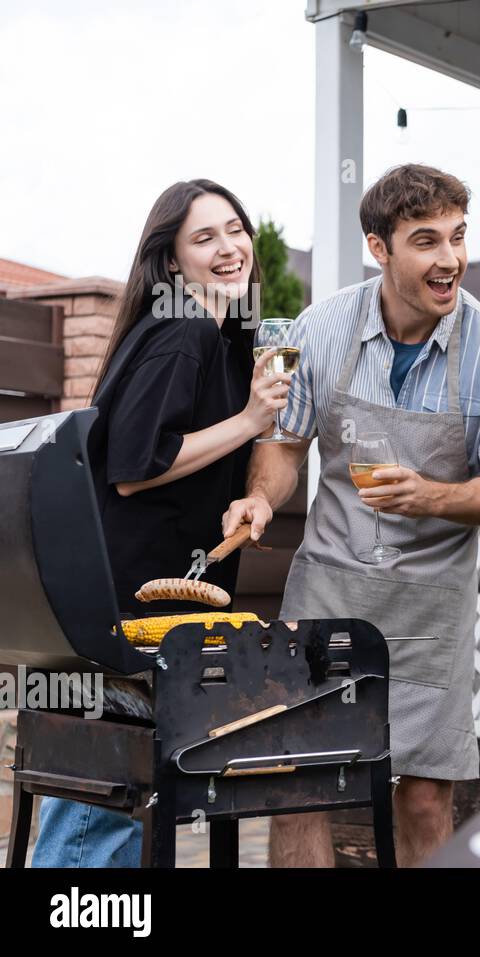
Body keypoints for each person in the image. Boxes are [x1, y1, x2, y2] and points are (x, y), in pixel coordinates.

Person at [222, 164, 480, 866]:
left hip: (429, 605)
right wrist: (262, 498)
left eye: (457, 237)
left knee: (423, 795)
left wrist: (433, 496)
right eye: (426, 241)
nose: (449, 259)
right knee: (302, 785)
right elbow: (284, 441)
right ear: (379, 247)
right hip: (328, 589)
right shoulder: (322, 328)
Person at [32, 179, 288, 867]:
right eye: (205, 237)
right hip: (128, 611)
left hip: (135, 610)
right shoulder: (184, 332)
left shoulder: (214, 333)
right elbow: (132, 464)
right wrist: (250, 422)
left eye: (235, 229)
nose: (230, 247)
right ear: (172, 263)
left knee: (108, 798)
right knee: (98, 808)